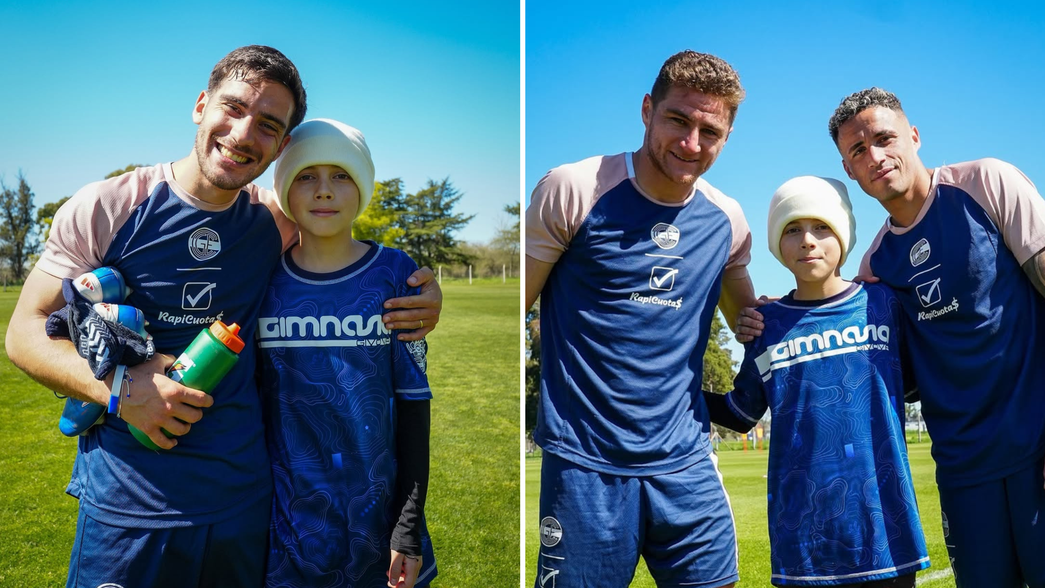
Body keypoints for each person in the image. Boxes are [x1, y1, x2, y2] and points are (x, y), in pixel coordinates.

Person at [4, 46, 442, 588]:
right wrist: (120, 387)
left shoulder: (271, 221)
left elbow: (337, 237)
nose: (241, 134)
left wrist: (422, 289)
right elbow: (23, 333)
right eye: (232, 108)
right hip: (129, 504)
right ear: (200, 104)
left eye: (266, 125)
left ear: (281, 145)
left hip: (246, 504)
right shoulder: (107, 206)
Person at [737, 87, 1045, 587]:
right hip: (964, 468)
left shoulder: (987, 183)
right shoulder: (875, 268)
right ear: (849, 168)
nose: (875, 157)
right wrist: (780, 319)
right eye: (858, 151)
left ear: (915, 136)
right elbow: (864, 364)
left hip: (1036, 445)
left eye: (885, 138)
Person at [525, 50, 756, 588]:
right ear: (648, 109)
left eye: (710, 131)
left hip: (687, 463)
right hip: (586, 464)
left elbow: (754, 325)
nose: (691, 144)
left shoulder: (728, 221)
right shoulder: (575, 189)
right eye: (678, 120)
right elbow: (518, 305)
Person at [704, 175, 929, 587]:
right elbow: (740, 413)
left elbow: (921, 383)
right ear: (777, 245)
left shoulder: (883, 304)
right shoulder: (766, 325)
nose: (807, 240)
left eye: (821, 227)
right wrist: (668, 391)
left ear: (844, 234)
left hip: (884, 528)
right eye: (792, 230)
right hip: (804, 539)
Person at [258, 118, 436, 588]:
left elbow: (416, 410)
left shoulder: (395, 275)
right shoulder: (262, 280)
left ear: (362, 188)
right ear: (284, 189)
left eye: (340, 175)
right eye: (305, 176)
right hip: (285, 531)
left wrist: (408, 525)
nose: (323, 191)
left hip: (380, 529)